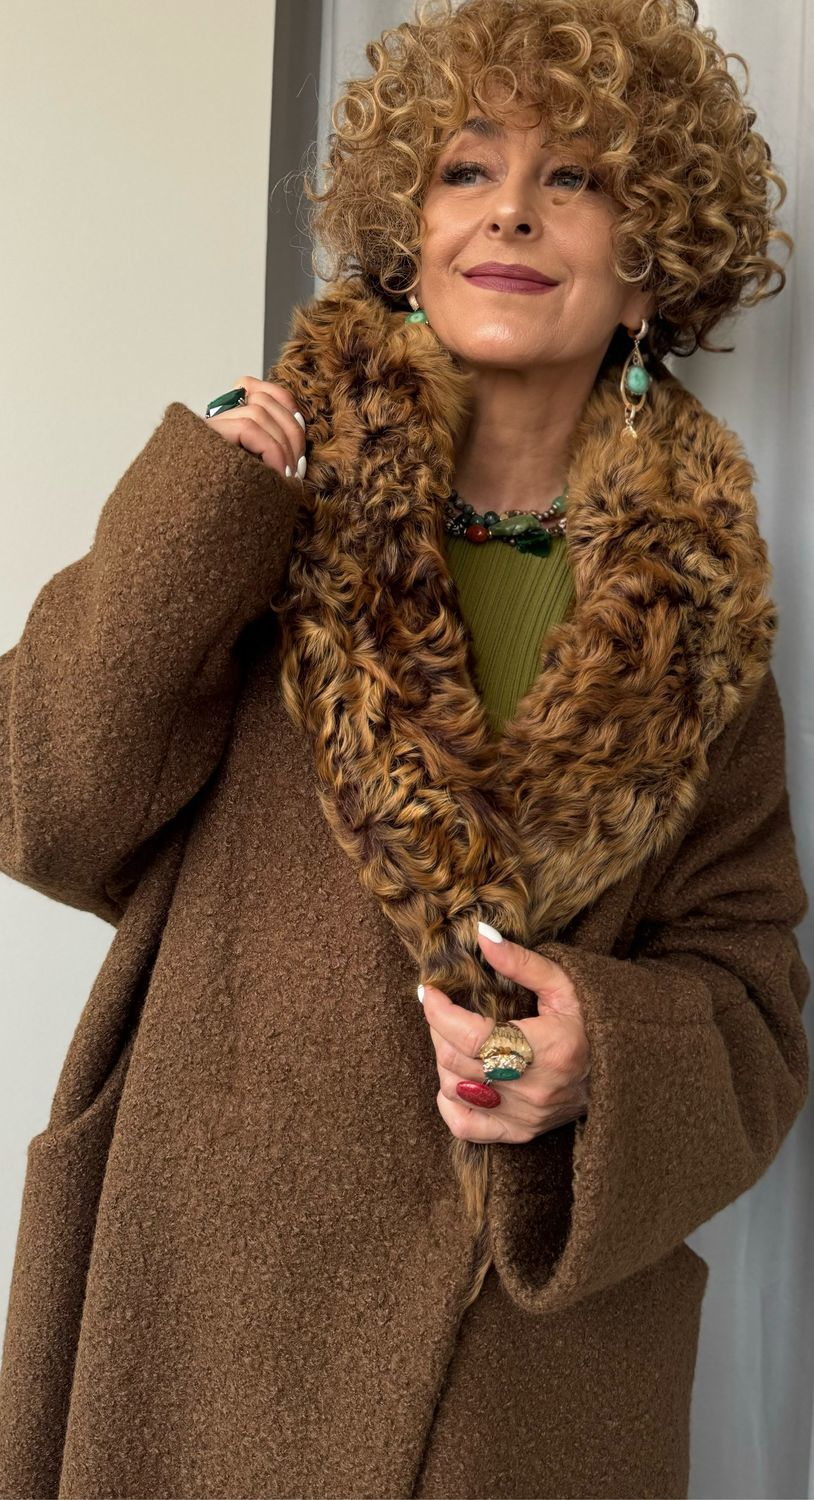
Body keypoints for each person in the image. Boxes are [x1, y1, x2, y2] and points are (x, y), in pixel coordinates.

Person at [0, 0, 809, 1495]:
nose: (511, 209)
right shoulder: (260, 516)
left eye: (575, 177)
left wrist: (599, 1055)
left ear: (649, 269)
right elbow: (43, 804)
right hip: (203, 1300)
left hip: (523, 1365)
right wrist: (195, 516)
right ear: (406, 233)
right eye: (465, 167)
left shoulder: (700, 622)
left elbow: (753, 998)